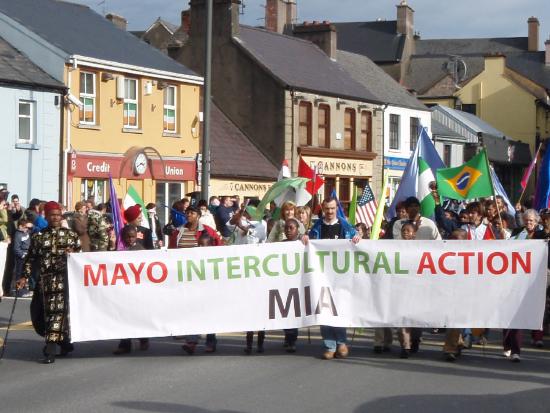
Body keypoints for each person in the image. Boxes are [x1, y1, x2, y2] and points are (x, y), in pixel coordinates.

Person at [16, 201, 81, 364]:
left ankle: (50, 349)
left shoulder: (71, 236)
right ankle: (64, 342)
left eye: (59, 215)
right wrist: (24, 277)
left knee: (56, 314)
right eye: (53, 215)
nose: (56, 218)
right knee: (38, 315)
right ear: (46, 216)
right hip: (44, 282)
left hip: (63, 281)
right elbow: (30, 258)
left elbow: (81, 258)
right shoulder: (39, 236)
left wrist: (73, 254)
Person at [303, 197, 360, 360]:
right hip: (321, 275)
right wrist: (305, 239)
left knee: (339, 308)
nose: (330, 212)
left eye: (333, 208)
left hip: (340, 275)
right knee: (324, 309)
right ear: (323, 208)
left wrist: (357, 237)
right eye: (327, 208)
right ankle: (329, 345)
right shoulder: (316, 227)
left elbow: (355, 237)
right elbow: (309, 243)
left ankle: (341, 342)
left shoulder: (344, 226)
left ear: (337, 209)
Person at [169, 205, 221, 353]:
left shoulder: (206, 231)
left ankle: (211, 341)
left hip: (204, 276)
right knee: (190, 309)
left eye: (192, 213)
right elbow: (171, 252)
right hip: (185, 277)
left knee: (207, 309)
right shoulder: (178, 232)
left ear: (198, 215)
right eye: (187, 213)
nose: (189, 216)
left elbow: (219, 245)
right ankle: (191, 342)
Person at [113, 225, 151, 355]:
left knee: (138, 315)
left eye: (132, 236)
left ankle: (143, 337)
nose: (130, 239)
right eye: (127, 237)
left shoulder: (140, 250)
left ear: (136, 236)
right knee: (124, 316)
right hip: (124, 288)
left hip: (137, 289)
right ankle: (125, 343)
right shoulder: (119, 250)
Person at [442, 229, 468, 361]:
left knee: (458, 321)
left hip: (464, 292)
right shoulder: (444, 254)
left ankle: (454, 344)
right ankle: (453, 345)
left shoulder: (472, 255)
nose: (454, 242)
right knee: (452, 321)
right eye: (452, 238)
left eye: (457, 239)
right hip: (449, 292)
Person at [396, 222, 418, 359]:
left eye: (408, 230)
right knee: (401, 318)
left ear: (414, 233)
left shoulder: (420, 248)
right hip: (400, 287)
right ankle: (405, 346)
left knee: (415, 319)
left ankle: (414, 340)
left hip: (416, 288)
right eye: (403, 230)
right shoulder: (395, 247)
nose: (405, 232)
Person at [281, 218, 302, 353]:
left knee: (293, 312)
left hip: (297, 283)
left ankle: (292, 339)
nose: (288, 230)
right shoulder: (280, 245)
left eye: (291, 228)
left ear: (297, 230)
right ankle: (287, 336)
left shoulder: (302, 243)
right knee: (284, 311)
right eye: (286, 228)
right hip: (284, 283)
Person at [12, 218, 33, 297]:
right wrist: (22, 255)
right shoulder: (18, 235)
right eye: (25, 227)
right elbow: (16, 248)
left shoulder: (27, 232)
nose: (27, 229)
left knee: (25, 274)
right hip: (21, 257)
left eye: (27, 228)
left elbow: (34, 230)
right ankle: (19, 291)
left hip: (27, 256)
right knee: (19, 274)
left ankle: (24, 289)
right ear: (20, 226)